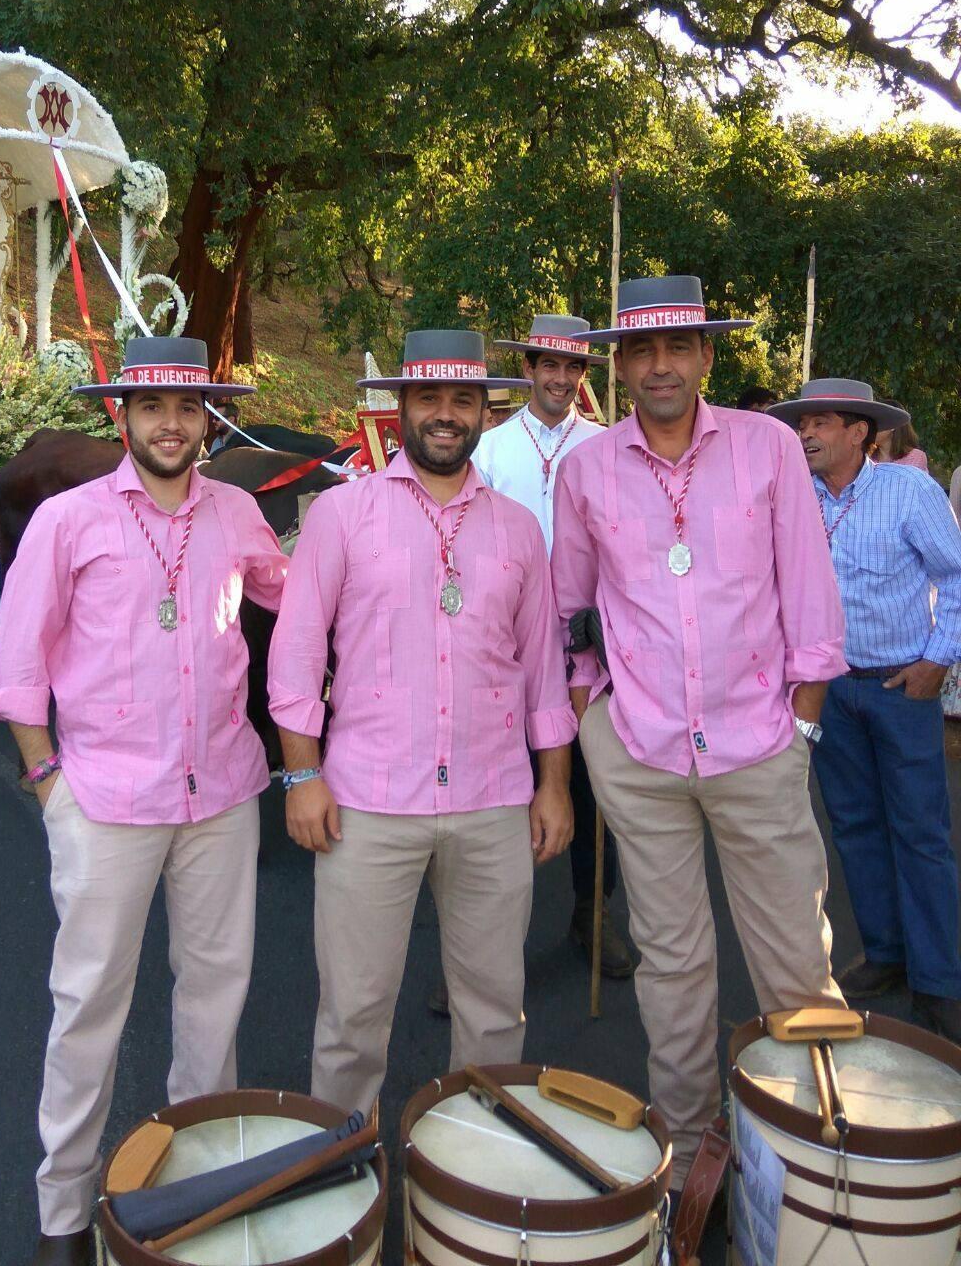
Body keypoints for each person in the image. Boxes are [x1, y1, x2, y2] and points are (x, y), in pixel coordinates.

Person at [0, 337, 286, 1266]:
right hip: (105, 799)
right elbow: (15, 666)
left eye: (186, 407)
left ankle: (195, 1186)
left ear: (206, 420)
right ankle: (64, 1213)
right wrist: (49, 786)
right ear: (122, 416)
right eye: (151, 405)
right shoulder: (69, 521)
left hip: (224, 793)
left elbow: (300, 591)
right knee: (87, 1006)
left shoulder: (238, 511)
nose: (169, 423)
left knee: (214, 1001)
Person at [551, 275, 846, 1197]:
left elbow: (808, 592)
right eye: (640, 350)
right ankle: (688, 1154)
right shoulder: (588, 468)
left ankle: (810, 1147)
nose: (660, 364)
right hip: (638, 753)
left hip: (758, 743)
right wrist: (595, 712)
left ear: (707, 356)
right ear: (621, 363)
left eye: (678, 346)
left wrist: (802, 725)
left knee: (795, 955)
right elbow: (571, 609)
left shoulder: (765, 449)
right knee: (673, 963)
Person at [269, 328, 576, 1118]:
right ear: (400, 407)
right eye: (430, 398)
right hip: (367, 800)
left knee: (493, 1011)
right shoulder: (342, 514)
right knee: (351, 1019)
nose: (447, 414)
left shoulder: (518, 528)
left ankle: (474, 1182)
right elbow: (296, 658)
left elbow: (543, 671)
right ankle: (339, 1182)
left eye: (463, 399)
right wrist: (302, 776)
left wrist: (554, 788)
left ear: (484, 409)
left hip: (492, 798)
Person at [770, 378, 961, 1040]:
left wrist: (938, 658)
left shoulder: (910, 492)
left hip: (900, 686)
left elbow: (956, 575)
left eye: (820, 423)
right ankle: (886, 954)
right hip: (830, 688)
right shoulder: (793, 498)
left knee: (921, 833)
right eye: (802, 424)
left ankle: (940, 980)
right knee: (853, 824)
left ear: (860, 432)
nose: (806, 434)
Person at [474, 312, 633, 978]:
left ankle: (590, 911)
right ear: (531, 367)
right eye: (550, 364)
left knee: (596, 784)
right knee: (496, 789)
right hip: (505, 642)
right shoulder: (488, 448)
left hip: (587, 640)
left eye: (574, 366)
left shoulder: (610, 446)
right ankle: (478, 947)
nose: (562, 377)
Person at [872, 407, 929, 471]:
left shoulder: (915, 458)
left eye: (876, 423)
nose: (870, 429)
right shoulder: (866, 458)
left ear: (892, 426)